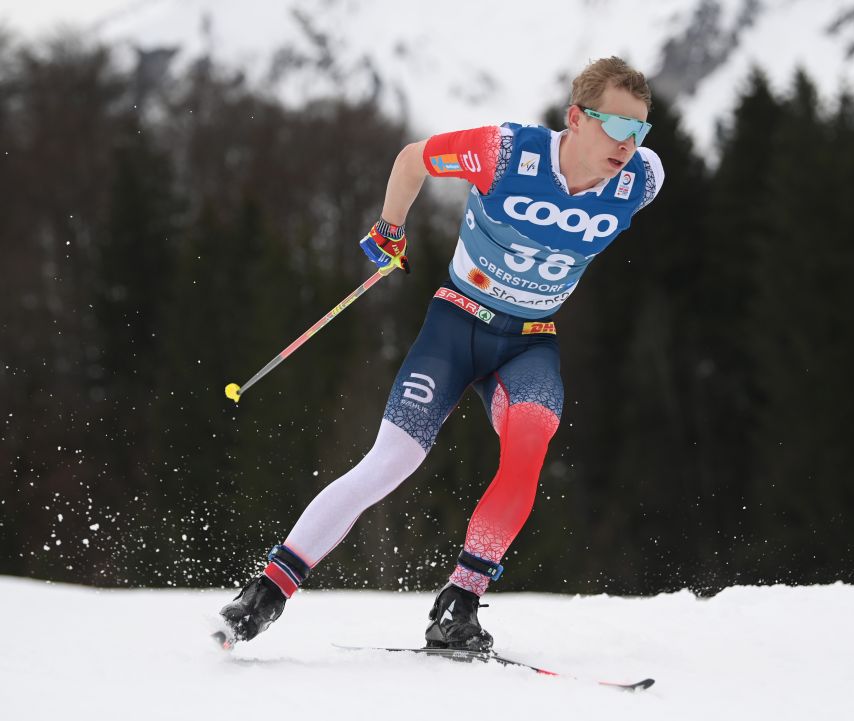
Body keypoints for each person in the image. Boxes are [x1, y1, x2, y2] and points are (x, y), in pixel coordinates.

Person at [219, 56, 665, 650]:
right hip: (456, 327)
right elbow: (413, 158)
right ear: (576, 119)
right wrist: (391, 227)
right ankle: (268, 590)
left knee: (529, 450)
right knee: (390, 461)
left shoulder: (645, 180)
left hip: (529, 341)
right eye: (617, 126)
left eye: (640, 131)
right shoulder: (506, 152)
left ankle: (459, 603)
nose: (628, 145)